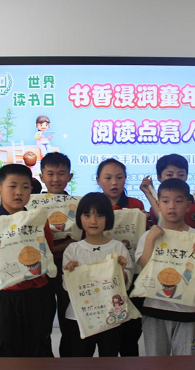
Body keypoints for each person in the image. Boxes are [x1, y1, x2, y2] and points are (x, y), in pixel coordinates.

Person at [0, 164, 56, 357]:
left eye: (25, 187)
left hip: (36, 295)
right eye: (12, 186)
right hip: (2, 297)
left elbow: (46, 254)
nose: (19, 192)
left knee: (38, 349)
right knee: (3, 350)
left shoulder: (38, 220)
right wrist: (4, 262)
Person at [135, 178, 195, 356]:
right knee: (156, 361)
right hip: (154, 309)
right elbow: (145, 268)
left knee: (186, 361)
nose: (172, 206)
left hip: (187, 310)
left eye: (178, 201)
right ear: (158, 204)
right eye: (165, 201)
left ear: (188, 205)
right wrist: (150, 240)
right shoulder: (149, 235)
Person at [62, 192, 134, 357]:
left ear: (108, 218)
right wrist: (71, 272)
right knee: (80, 360)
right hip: (80, 316)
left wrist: (121, 271)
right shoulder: (73, 249)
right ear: (79, 218)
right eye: (87, 215)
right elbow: (67, 287)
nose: (93, 221)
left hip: (111, 315)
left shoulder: (118, 247)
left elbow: (126, 284)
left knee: (109, 360)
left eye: (100, 215)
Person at [96, 158, 144, 356]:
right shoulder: (93, 206)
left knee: (131, 331)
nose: (114, 183)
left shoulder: (136, 205)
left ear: (125, 179)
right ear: (98, 180)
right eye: (108, 178)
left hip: (131, 273)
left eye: (119, 177)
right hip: (102, 276)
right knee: (107, 332)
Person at [39, 152, 75, 357]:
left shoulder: (77, 205)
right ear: (41, 176)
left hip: (68, 267)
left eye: (61, 173)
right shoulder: (31, 204)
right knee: (42, 317)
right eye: (50, 173)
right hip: (41, 270)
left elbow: (79, 238)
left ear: (69, 176)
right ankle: (44, 360)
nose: (55, 179)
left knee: (67, 317)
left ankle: (68, 360)